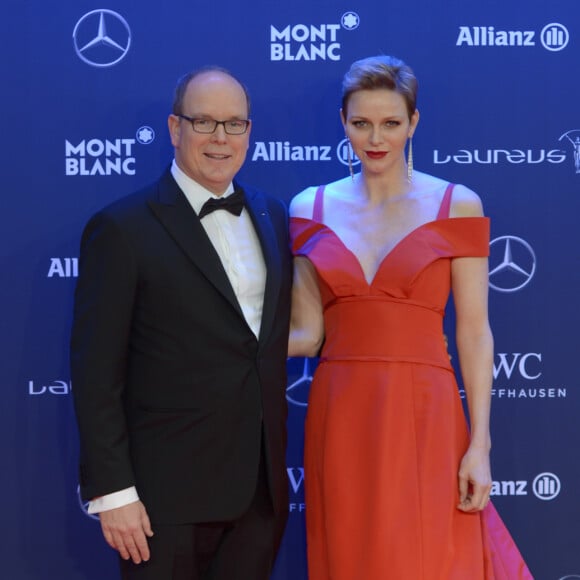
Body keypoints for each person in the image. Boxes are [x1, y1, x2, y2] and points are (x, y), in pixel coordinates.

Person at [288, 55, 533, 579]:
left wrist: (480, 445)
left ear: (413, 123)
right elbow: (306, 334)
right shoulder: (309, 207)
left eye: (391, 123)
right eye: (361, 123)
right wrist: (209, 334)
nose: (376, 138)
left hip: (427, 414)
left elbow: (473, 331)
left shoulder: (456, 204)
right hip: (342, 412)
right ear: (343, 122)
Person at [71, 66, 292, 580]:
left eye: (235, 124)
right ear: (175, 129)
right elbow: (95, 372)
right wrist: (114, 493)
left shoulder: (271, 214)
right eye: (205, 122)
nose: (221, 138)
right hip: (161, 502)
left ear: (249, 132)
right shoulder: (122, 228)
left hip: (257, 495)